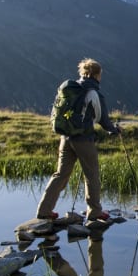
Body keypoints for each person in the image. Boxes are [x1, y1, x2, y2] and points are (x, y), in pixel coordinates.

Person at [36, 58, 121, 222]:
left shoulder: (70, 88)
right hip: (84, 139)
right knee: (92, 175)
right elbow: (103, 120)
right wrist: (114, 130)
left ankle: (44, 210)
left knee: (60, 174)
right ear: (97, 74)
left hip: (66, 137)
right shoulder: (93, 92)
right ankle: (94, 211)